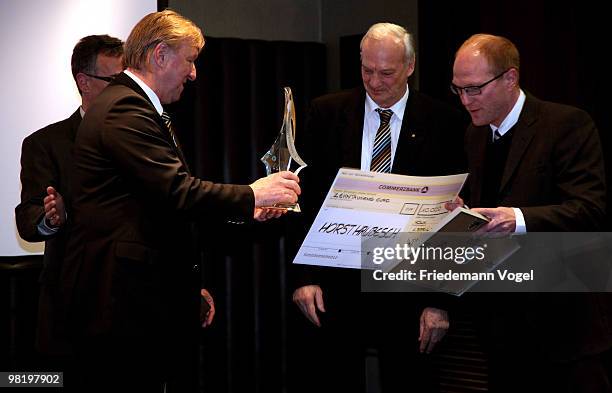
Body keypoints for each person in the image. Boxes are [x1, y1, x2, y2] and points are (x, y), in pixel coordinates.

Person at [58, 10, 300, 392]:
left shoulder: (135, 108)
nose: (193, 74)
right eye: (189, 60)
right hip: (123, 304)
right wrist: (255, 192)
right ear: (159, 55)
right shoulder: (125, 108)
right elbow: (177, 191)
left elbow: (163, 205)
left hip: (139, 299)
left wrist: (249, 211)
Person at [289, 23, 467, 392]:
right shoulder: (326, 113)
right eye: (367, 70)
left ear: (410, 66)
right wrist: (304, 278)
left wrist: (440, 302)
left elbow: (453, 215)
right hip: (337, 284)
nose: (375, 82)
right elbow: (302, 199)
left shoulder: (445, 121)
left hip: (410, 291)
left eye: (386, 72)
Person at [450, 33, 611, 392]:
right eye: (458, 89)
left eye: (475, 89)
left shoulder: (566, 123)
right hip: (498, 321)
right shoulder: (474, 136)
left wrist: (517, 218)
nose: (465, 100)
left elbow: (589, 208)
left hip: (562, 322)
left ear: (510, 78)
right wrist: (462, 213)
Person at [15, 34, 124, 367]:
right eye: (114, 81)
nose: (124, 90)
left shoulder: (146, 142)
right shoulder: (46, 143)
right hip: (73, 311)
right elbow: (28, 216)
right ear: (84, 82)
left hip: (134, 314)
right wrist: (51, 218)